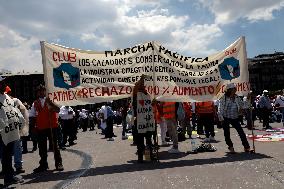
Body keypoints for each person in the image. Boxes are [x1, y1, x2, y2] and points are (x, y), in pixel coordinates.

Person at [29, 84, 64, 173]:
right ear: (37, 93)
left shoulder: (51, 99)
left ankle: (58, 163)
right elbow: (32, 116)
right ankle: (43, 164)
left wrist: (51, 104)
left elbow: (58, 110)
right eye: (39, 91)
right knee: (42, 147)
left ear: (45, 91)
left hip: (52, 126)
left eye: (43, 90)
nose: (41, 92)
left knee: (55, 146)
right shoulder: (35, 103)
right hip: (41, 128)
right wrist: (32, 128)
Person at [0, 76, 25, 186]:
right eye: (2, 82)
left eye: (4, 82)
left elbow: (14, 110)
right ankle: (8, 177)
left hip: (9, 131)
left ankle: (8, 177)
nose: (4, 84)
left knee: (7, 155)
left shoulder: (7, 97)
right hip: (1, 132)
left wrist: (20, 122)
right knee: (4, 155)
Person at [218, 83, 250, 153]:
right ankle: (230, 146)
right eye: (234, 88)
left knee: (241, 132)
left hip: (234, 117)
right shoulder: (224, 98)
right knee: (227, 133)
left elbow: (243, 105)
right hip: (225, 117)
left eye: (235, 88)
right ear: (229, 90)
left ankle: (246, 147)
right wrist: (221, 117)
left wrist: (247, 99)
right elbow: (220, 108)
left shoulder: (237, 97)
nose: (235, 90)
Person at [132, 75, 155, 162]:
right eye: (142, 85)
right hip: (139, 122)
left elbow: (150, 106)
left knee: (149, 140)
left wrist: (154, 103)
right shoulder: (136, 95)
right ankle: (140, 158)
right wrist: (142, 79)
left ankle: (150, 156)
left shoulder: (148, 95)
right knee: (140, 141)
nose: (144, 86)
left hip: (148, 121)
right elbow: (136, 87)